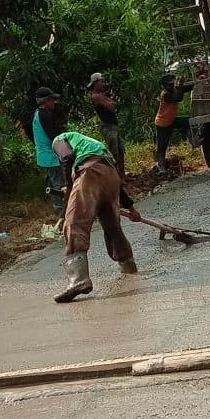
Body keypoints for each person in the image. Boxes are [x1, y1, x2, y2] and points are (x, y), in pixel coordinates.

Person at [51, 131, 141, 303]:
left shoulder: (59, 138)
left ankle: (78, 280)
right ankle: (129, 265)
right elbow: (118, 186)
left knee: (74, 223)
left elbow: (67, 157)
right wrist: (131, 208)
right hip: (110, 175)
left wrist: (69, 187)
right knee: (112, 226)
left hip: (89, 172)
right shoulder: (94, 144)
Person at [31, 87, 66, 218]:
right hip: (51, 156)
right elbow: (54, 138)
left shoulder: (37, 114)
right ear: (46, 101)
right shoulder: (46, 116)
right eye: (52, 100)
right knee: (59, 184)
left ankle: (58, 210)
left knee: (53, 184)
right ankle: (61, 212)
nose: (54, 103)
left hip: (44, 156)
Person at [87, 72, 126, 178]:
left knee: (121, 150)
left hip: (113, 125)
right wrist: (109, 102)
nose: (104, 84)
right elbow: (112, 107)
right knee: (114, 153)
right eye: (102, 82)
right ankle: (115, 176)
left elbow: (114, 105)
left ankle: (122, 175)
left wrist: (109, 102)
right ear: (95, 83)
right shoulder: (96, 96)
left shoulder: (102, 95)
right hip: (108, 126)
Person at [154, 74, 194, 175]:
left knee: (190, 121)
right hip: (163, 123)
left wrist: (198, 81)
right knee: (162, 147)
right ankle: (162, 168)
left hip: (171, 120)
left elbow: (187, 88)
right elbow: (178, 98)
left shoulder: (173, 90)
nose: (173, 86)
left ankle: (193, 139)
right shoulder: (166, 94)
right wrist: (180, 85)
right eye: (171, 84)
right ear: (166, 86)